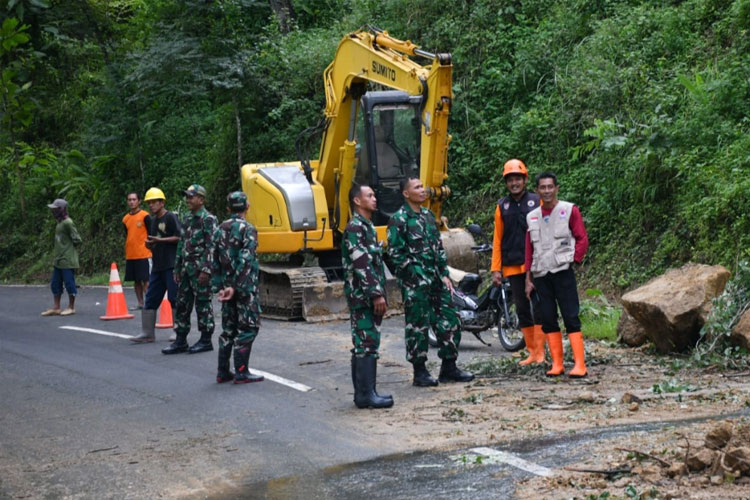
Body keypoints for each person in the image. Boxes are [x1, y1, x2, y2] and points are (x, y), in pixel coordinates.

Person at [387, 177, 474, 387]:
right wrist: (414, 275)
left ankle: (449, 367)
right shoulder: (399, 219)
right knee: (418, 325)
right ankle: (420, 371)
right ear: (406, 194)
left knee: (450, 318)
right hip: (416, 283)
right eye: (417, 187)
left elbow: (438, 248)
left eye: (422, 186)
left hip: (436, 279)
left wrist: (444, 273)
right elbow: (395, 254)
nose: (423, 190)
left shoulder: (427, 216)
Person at [524, 172, 589, 377]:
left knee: (570, 315)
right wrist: (528, 277)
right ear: (537, 191)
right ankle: (557, 364)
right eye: (542, 188)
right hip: (541, 273)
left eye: (550, 187)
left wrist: (575, 259)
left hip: (563, 271)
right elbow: (529, 249)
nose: (546, 191)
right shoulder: (532, 216)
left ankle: (580, 364)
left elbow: (582, 238)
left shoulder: (569, 210)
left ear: (556, 188)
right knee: (548, 317)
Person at [342, 184, 393, 409]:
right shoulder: (355, 227)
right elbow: (361, 263)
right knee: (366, 342)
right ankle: (365, 395)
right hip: (362, 296)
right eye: (369, 196)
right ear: (357, 201)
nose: (374, 199)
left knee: (367, 342)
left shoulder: (367, 226)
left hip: (365, 294)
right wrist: (375, 295)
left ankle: (366, 393)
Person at [491, 159, 545, 365]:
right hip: (512, 265)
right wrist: (496, 268)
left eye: (518, 179)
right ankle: (532, 352)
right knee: (521, 308)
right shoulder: (501, 206)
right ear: (506, 182)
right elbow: (497, 238)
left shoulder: (536, 201)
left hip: (536, 265)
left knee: (539, 307)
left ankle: (541, 352)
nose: (514, 183)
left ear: (525, 179)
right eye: (511, 180)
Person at [212, 191, 265, 384]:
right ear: (247, 206)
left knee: (228, 328)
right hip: (244, 289)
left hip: (227, 288)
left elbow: (214, 260)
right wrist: (236, 286)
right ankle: (241, 371)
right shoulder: (248, 229)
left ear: (228, 208)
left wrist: (220, 286)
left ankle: (222, 371)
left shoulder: (219, 229)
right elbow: (246, 260)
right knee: (249, 327)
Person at [163, 184, 217, 355]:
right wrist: (177, 267)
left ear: (201, 199)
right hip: (186, 270)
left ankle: (206, 339)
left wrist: (206, 270)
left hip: (200, 271)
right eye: (186, 196)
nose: (188, 200)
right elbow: (181, 243)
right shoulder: (187, 219)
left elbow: (212, 246)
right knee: (182, 304)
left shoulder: (208, 219)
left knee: (202, 304)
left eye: (191, 197)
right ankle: (180, 340)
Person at [130, 187, 180, 343]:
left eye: (154, 202)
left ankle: (178, 331)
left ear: (162, 202)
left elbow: (179, 237)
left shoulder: (171, 217)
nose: (151, 205)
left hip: (171, 264)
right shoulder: (152, 221)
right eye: (149, 203)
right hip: (157, 265)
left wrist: (160, 241)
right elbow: (155, 240)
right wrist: (150, 245)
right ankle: (148, 333)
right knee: (151, 298)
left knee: (174, 298)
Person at [41, 198, 82, 317]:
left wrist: (68, 249)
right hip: (58, 260)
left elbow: (77, 239)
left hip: (67, 259)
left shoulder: (68, 222)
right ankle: (56, 307)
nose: (53, 211)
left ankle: (71, 307)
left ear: (61, 210)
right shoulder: (59, 223)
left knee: (69, 283)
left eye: (55, 209)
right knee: (55, 283)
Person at [122, 191, 152, 310]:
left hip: (144, 253)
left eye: (134, 199)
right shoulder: (125, 219)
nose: (132, 202)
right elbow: (127, 234)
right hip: (131, 254)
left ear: (139, 201)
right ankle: (140, 303)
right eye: (129, 200)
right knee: (136, 281)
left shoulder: (145, 216)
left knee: (146, 280)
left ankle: (150, 303)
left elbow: (151, 233)